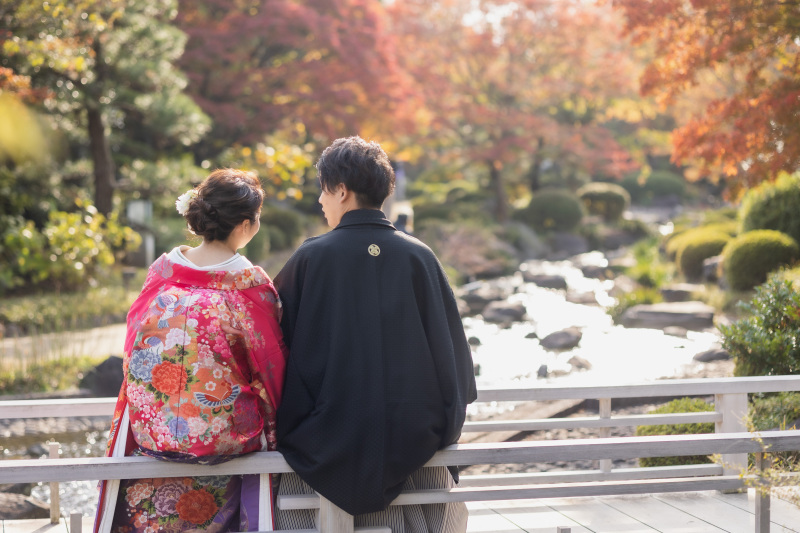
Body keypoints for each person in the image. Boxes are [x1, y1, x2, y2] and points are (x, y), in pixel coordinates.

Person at [273, 136, 477, 531]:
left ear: (343, 191)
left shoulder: (311, 257)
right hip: (414, 440)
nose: (320, 201)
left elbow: (276, 350)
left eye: (324, 190)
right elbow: (453, 360)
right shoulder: (420, 256)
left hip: (324, 443)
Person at [94, 169, 288, 533]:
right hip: (222, 438)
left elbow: (133, 343)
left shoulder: (162, 273)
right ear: (246, 224)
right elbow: (271, 365)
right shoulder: (249, 287)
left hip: (153, 432)